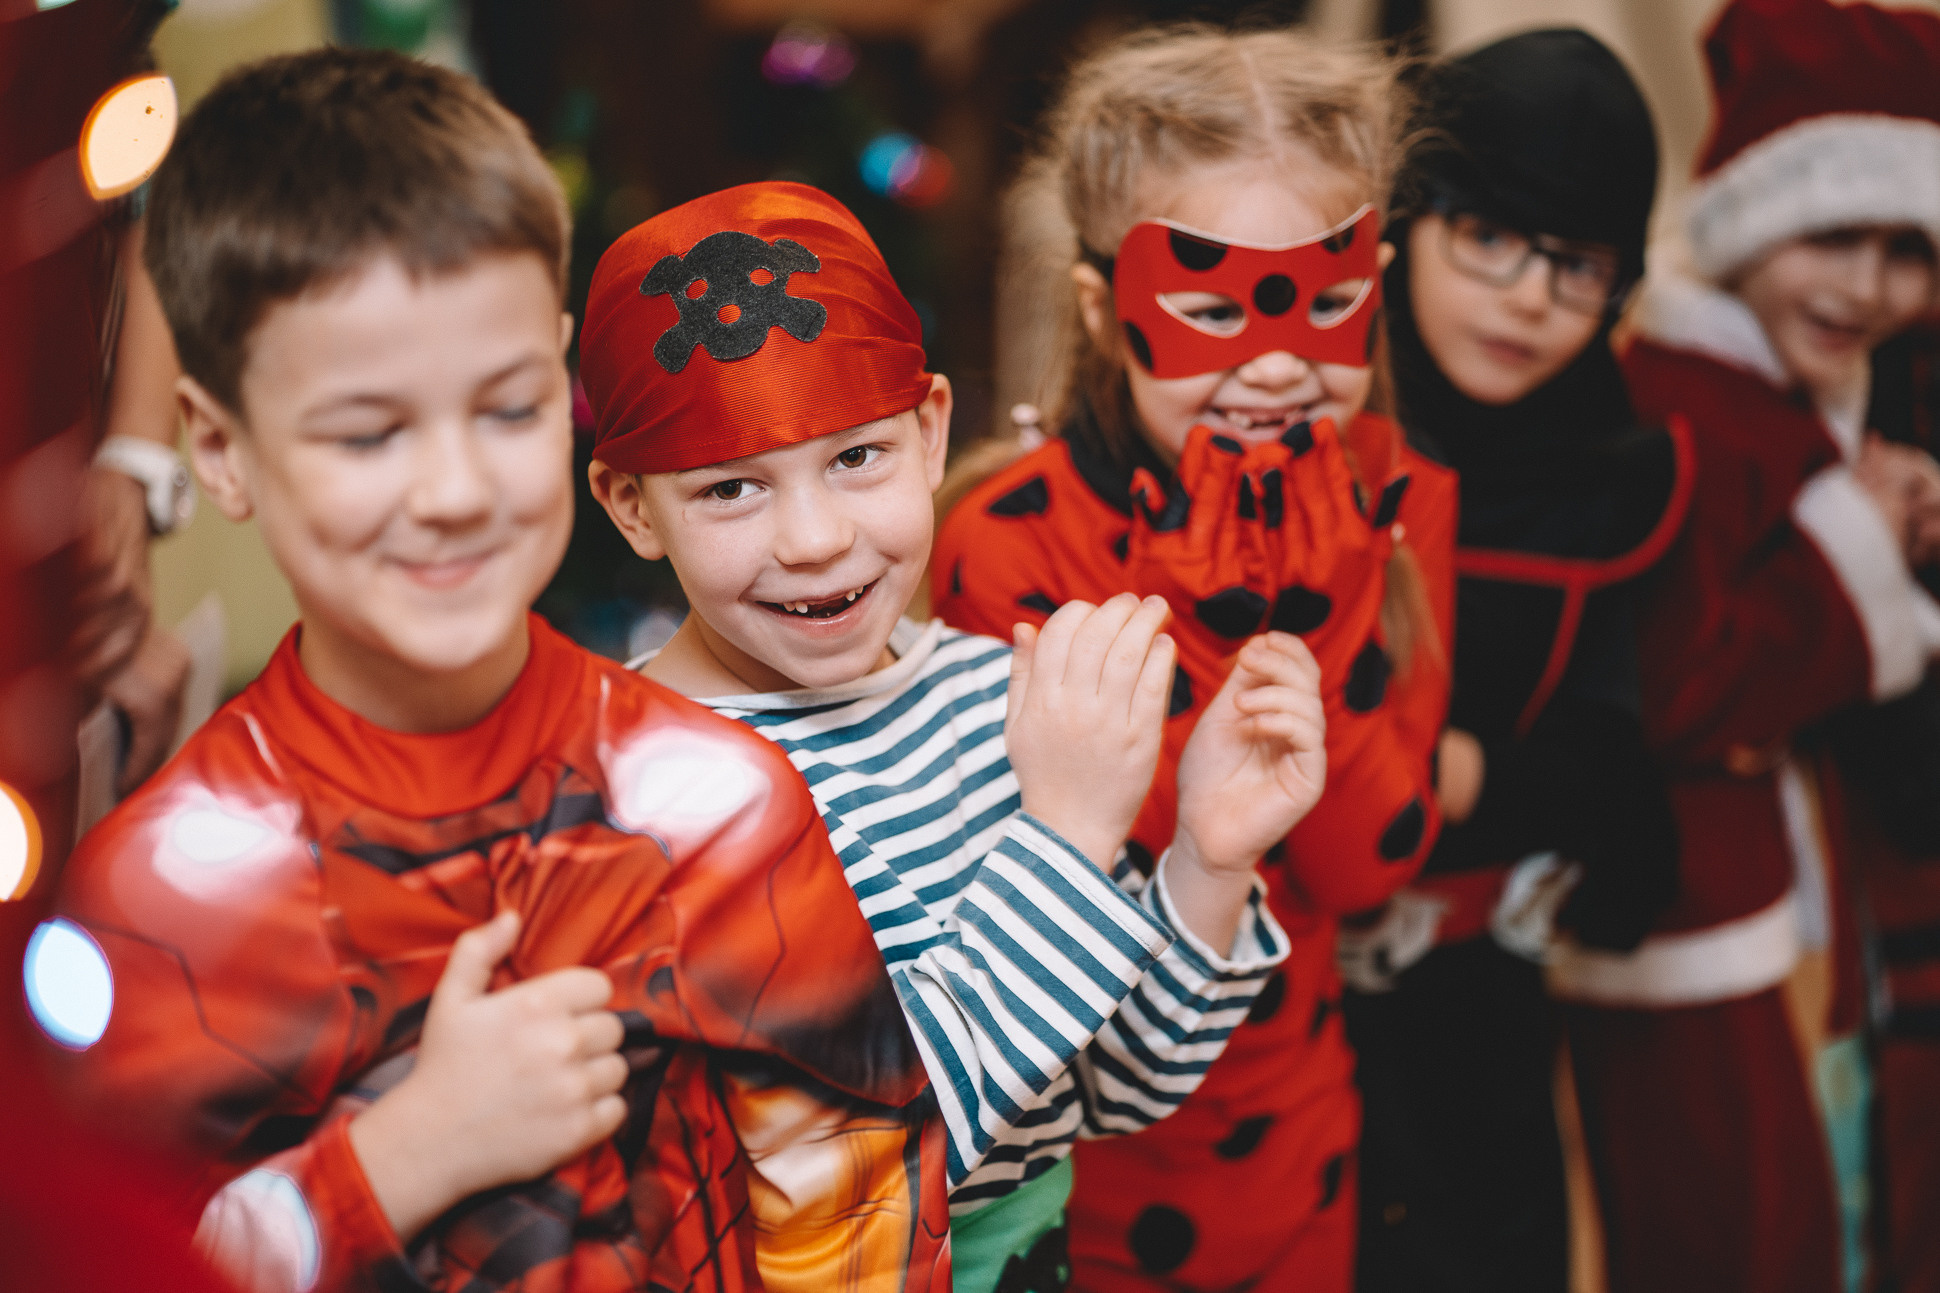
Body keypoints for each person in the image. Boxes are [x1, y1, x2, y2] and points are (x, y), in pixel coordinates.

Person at [42, 50, 949, 1293]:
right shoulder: (157, 906)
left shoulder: (721, 810)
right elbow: (99, 1255)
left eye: (510, 409)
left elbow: (857, 1232)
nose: (456, 493)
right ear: (220, 448)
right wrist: (401, 1158)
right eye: (368, 432)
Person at [580, 180, 1326, 1293]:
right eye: (731, 489)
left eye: (856, 458)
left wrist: (1205, 864)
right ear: (633, 506)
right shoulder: (633, 789)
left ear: (930, 431)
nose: (815, 540)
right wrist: (1064, 838)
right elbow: (848, 1158)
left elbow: (1113, 1088)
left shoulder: (995, 698)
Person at [932, 26, 1457, 1291]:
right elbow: (1078, 902)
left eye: (1326, 303)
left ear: (1374, 280)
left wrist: (1320, 630)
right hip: (1085, 1187)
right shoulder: (1005, 544)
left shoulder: (1396, 500)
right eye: (1212, 312)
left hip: (1305, 1159)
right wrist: (1213, 645)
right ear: (1105, 313)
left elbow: (1366, 864)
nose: (1275, 361)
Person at [1562, 0, 1940, 1288]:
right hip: (1682, 922)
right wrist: (1856, 555)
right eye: (1830, 234)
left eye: (1907, 249)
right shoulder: (1679, 400)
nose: (1868, 287)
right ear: (1748, 218)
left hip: (1769, 909)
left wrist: (1872, 530)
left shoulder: (1779, 389)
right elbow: (1675, 682)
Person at [1335, 30, 1684, 1293]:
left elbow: (1612, 767)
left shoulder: (1614, 473)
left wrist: (1458, 773)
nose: (1530, 295)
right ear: (1406, 225)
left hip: (1488, 994)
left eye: (1576, 264)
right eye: (1488, 235)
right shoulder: (1313, 429)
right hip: (1279, 1014)